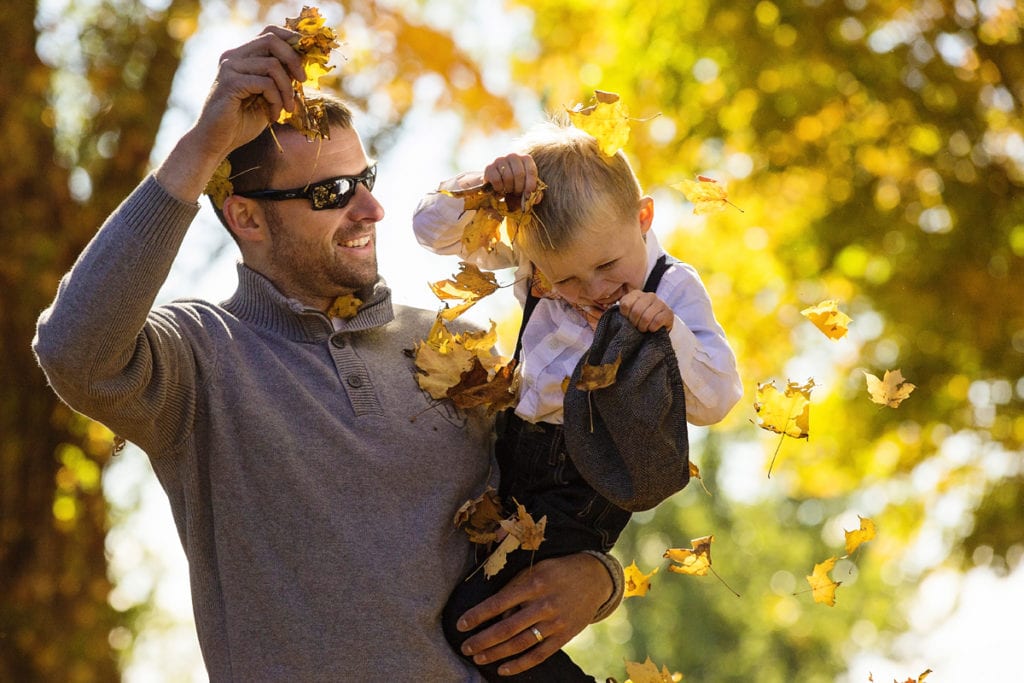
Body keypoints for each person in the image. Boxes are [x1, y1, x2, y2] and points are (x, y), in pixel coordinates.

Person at [32, 26, 624, 682]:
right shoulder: (201, 359)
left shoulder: (454, 346)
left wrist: (597, 577)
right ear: (247, 219)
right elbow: (74, 350)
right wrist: (205, 143)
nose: (371, 208)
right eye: (332, 194)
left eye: (363, 179)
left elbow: (556, 490)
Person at [414, 121, 744, 681]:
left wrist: (669, 335)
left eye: (607, 268)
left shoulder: (672, 286)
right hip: (511, 465)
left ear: (643, 218)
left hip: (584, 483)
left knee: (478, 619)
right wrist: (489, 193)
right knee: (451, 583)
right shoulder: (535, 260)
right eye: (564, 279)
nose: (592, 291)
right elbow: (431, 230)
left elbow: (719, 398)